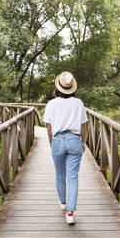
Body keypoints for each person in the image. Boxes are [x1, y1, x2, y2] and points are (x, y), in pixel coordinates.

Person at [43, 71, 88, 224]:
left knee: (60, 174)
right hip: (74, 139)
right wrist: (83, 142)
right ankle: (70, 213)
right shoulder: (78, 103)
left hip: (57, 140)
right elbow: (83, 126)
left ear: (58, 88)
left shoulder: (51, 104)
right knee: (73, 177)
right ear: (72, 88)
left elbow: (48, 127)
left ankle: (63, 203)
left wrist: (51, 141)